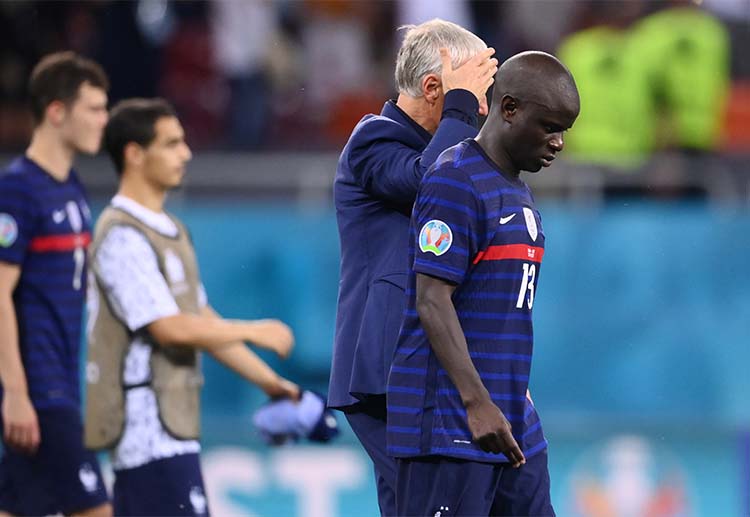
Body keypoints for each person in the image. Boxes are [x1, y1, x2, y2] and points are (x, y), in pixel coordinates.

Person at [386, 51, 580, 516]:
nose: (557, 143)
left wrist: (513, 397)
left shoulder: (516, 189)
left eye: (563, 131)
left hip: (510, 418)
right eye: (549, 127)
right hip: (452, 422)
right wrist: (476, 403)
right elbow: (432, 300)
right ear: (508, 108)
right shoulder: (456, 179)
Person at [84, 98, 300, 517]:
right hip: (144, 431)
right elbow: (169, 328)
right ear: (134, 154)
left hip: (174, 425)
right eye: (171, 144)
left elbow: (200, 319)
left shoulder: (171, 229)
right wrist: (253, 330)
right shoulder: (121, 235)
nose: (185, 154)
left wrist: (270, 382)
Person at [327, 18, 497, 515]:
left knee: (412, 506)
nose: (481, 109)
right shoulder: (373, 139)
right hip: (385, 365)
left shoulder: (455, 149)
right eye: (474, 94)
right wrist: (460, 108)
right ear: (434, 88)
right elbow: (428, 183)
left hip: (425, 360)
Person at [0, 51, 112, 517]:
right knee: (96, 509)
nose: (104, 120)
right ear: (56, 111)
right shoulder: (17, 189)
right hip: (40, 391)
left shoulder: (72, 189)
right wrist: (16, 392)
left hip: (63, 384)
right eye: (94, 108)